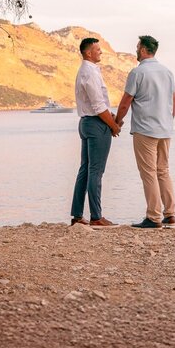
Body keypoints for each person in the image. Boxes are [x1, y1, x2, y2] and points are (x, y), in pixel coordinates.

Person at [115, 35, 175, 229]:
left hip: (145, 130)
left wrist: (116, 122)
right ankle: (170, 214)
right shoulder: (167, 72)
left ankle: (153, 217)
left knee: (149, 173)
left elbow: (125, 102)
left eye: (137, 47)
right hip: (165, 130)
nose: (136, 50)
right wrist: (166, 121)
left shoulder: (137, 72)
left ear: (143, 49)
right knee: (163, 171)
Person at [70, 37, 120, 227]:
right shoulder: (89, 72)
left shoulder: (86, 70)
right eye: (97, 49)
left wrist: (110, 117)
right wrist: (113, 125)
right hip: (95, 124)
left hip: (87, 122)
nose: (101, 52)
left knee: (85, 169)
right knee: (96, 171)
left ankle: (77, 215)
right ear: (88, 52)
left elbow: (97, 104)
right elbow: (98, 106)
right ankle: (96, 217)